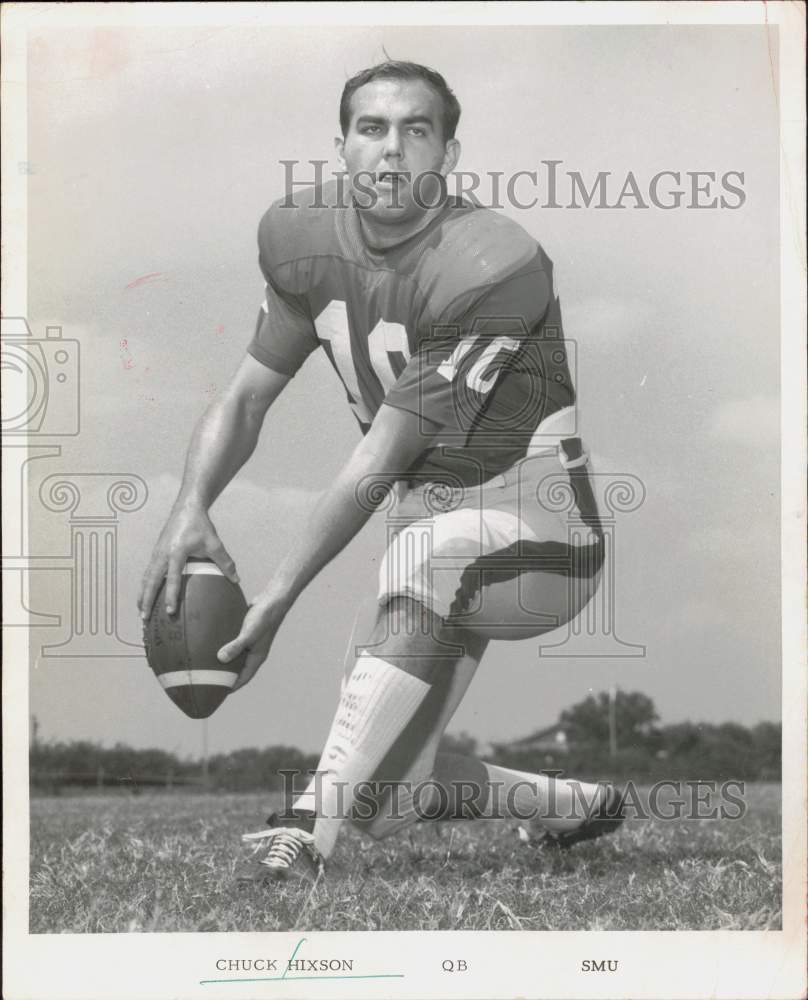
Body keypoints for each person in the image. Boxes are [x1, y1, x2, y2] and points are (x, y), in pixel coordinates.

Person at [138, 60, 625, 885]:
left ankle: (305, 839)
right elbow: (248, 397)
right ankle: (574, 804)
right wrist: (190, 504)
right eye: (372, 129)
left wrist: (279, 597)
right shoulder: (298, 238)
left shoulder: (492, 261)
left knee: (426, 560)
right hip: (430, 525)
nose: (391, 151)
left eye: (416, 130)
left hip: (543, 535)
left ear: (449, 151)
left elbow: (381, 455)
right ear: (340, 146)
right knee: (384, 794)